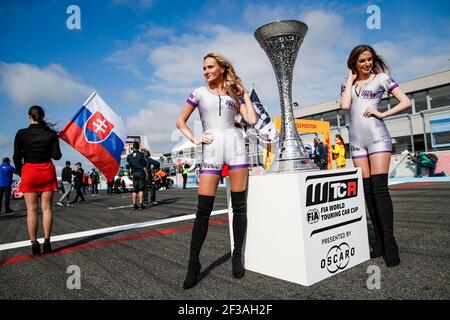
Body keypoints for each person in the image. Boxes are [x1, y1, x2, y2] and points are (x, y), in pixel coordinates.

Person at [176, 52, 257, 289]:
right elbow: (180, 121)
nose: (206, 71)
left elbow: (250, 119)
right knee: (203, 210)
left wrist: (245, 95)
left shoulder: (234, 93)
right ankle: (193, 263)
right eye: (204, 68)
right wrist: (195, 137)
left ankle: (237, 256)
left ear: (222, 68)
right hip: (211, 150)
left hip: (236, 149)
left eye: (210, 67)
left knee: (239, 206)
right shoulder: (198, 93)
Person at [340, 44, 412, 267]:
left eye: (369, 59)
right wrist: (350, 81)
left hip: (377, 137)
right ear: (354, 63)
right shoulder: (347, 84)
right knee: (368, 192)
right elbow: (344, 106)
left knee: (380, 189)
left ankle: (390, 242)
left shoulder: (381, 78)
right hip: (356, 142)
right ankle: (379, 242)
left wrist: (382, 113)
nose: (367, 63)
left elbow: (406, 101)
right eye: (362, 61)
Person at [13, 106, 62, 255]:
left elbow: (16, 157)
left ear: (29, 116)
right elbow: (57, 156)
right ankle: (47, 241)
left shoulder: (21, 133)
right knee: (47, 208)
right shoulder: (51, 134)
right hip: (46, 170)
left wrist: (23, 173)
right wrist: (55, 138)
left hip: (29, 171)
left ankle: (34, 243)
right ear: (43, 116)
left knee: (31, 210)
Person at [126, 142, 148, 209]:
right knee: (141, 189)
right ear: (139, 147)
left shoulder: (129, 156)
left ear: (133, 147)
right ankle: (141, 203)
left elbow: (127, 166)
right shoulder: (141, 155)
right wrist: (146, 173)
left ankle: (134, 204)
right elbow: (144, 165)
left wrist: (128, 174)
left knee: (134, 189)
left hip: (134, 173)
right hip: (141, 173)